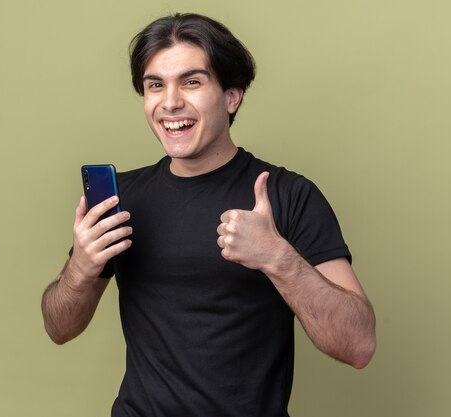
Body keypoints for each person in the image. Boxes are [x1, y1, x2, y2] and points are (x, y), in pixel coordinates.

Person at [41, 12, 376, 417]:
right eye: (155, 85)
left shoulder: (288, 195)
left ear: (232, 95)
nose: (170, 103)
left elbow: (359, 346)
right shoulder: (122, 199)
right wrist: (81, 267)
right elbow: (59, 329)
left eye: (192, 82)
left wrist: (277, 258)